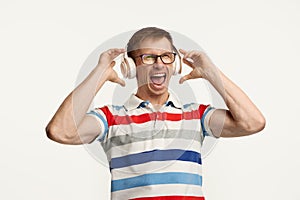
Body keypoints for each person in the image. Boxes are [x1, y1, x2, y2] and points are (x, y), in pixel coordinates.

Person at [46, 27, 265, 200]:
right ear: (131, 66)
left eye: (166, 57)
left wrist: (212, 74)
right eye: (148, 58)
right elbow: (60, 131)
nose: (159, 64)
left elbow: (252, 122)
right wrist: (99, 74)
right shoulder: (111, 117)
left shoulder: (196, 115)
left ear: (176, 63)